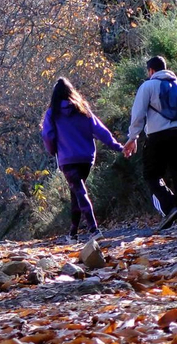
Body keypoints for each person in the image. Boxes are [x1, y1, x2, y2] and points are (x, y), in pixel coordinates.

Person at [123, 56, 177, 231]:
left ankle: (170, 206)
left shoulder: (147, 87)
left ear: (151, 71)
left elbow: (138, 114)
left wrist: (133, 137)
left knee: (152, 175)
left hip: (157, 137)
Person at [41, 78, 125, 238]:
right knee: (76, 193)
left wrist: (53, 151)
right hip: (86, 158)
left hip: (68, 159)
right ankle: (72, 233)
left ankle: (93, 229)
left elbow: (47, 135)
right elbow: (100, 130)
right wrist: (117, 146)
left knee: (79, 192)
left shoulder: (52, 113)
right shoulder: (82, 109)